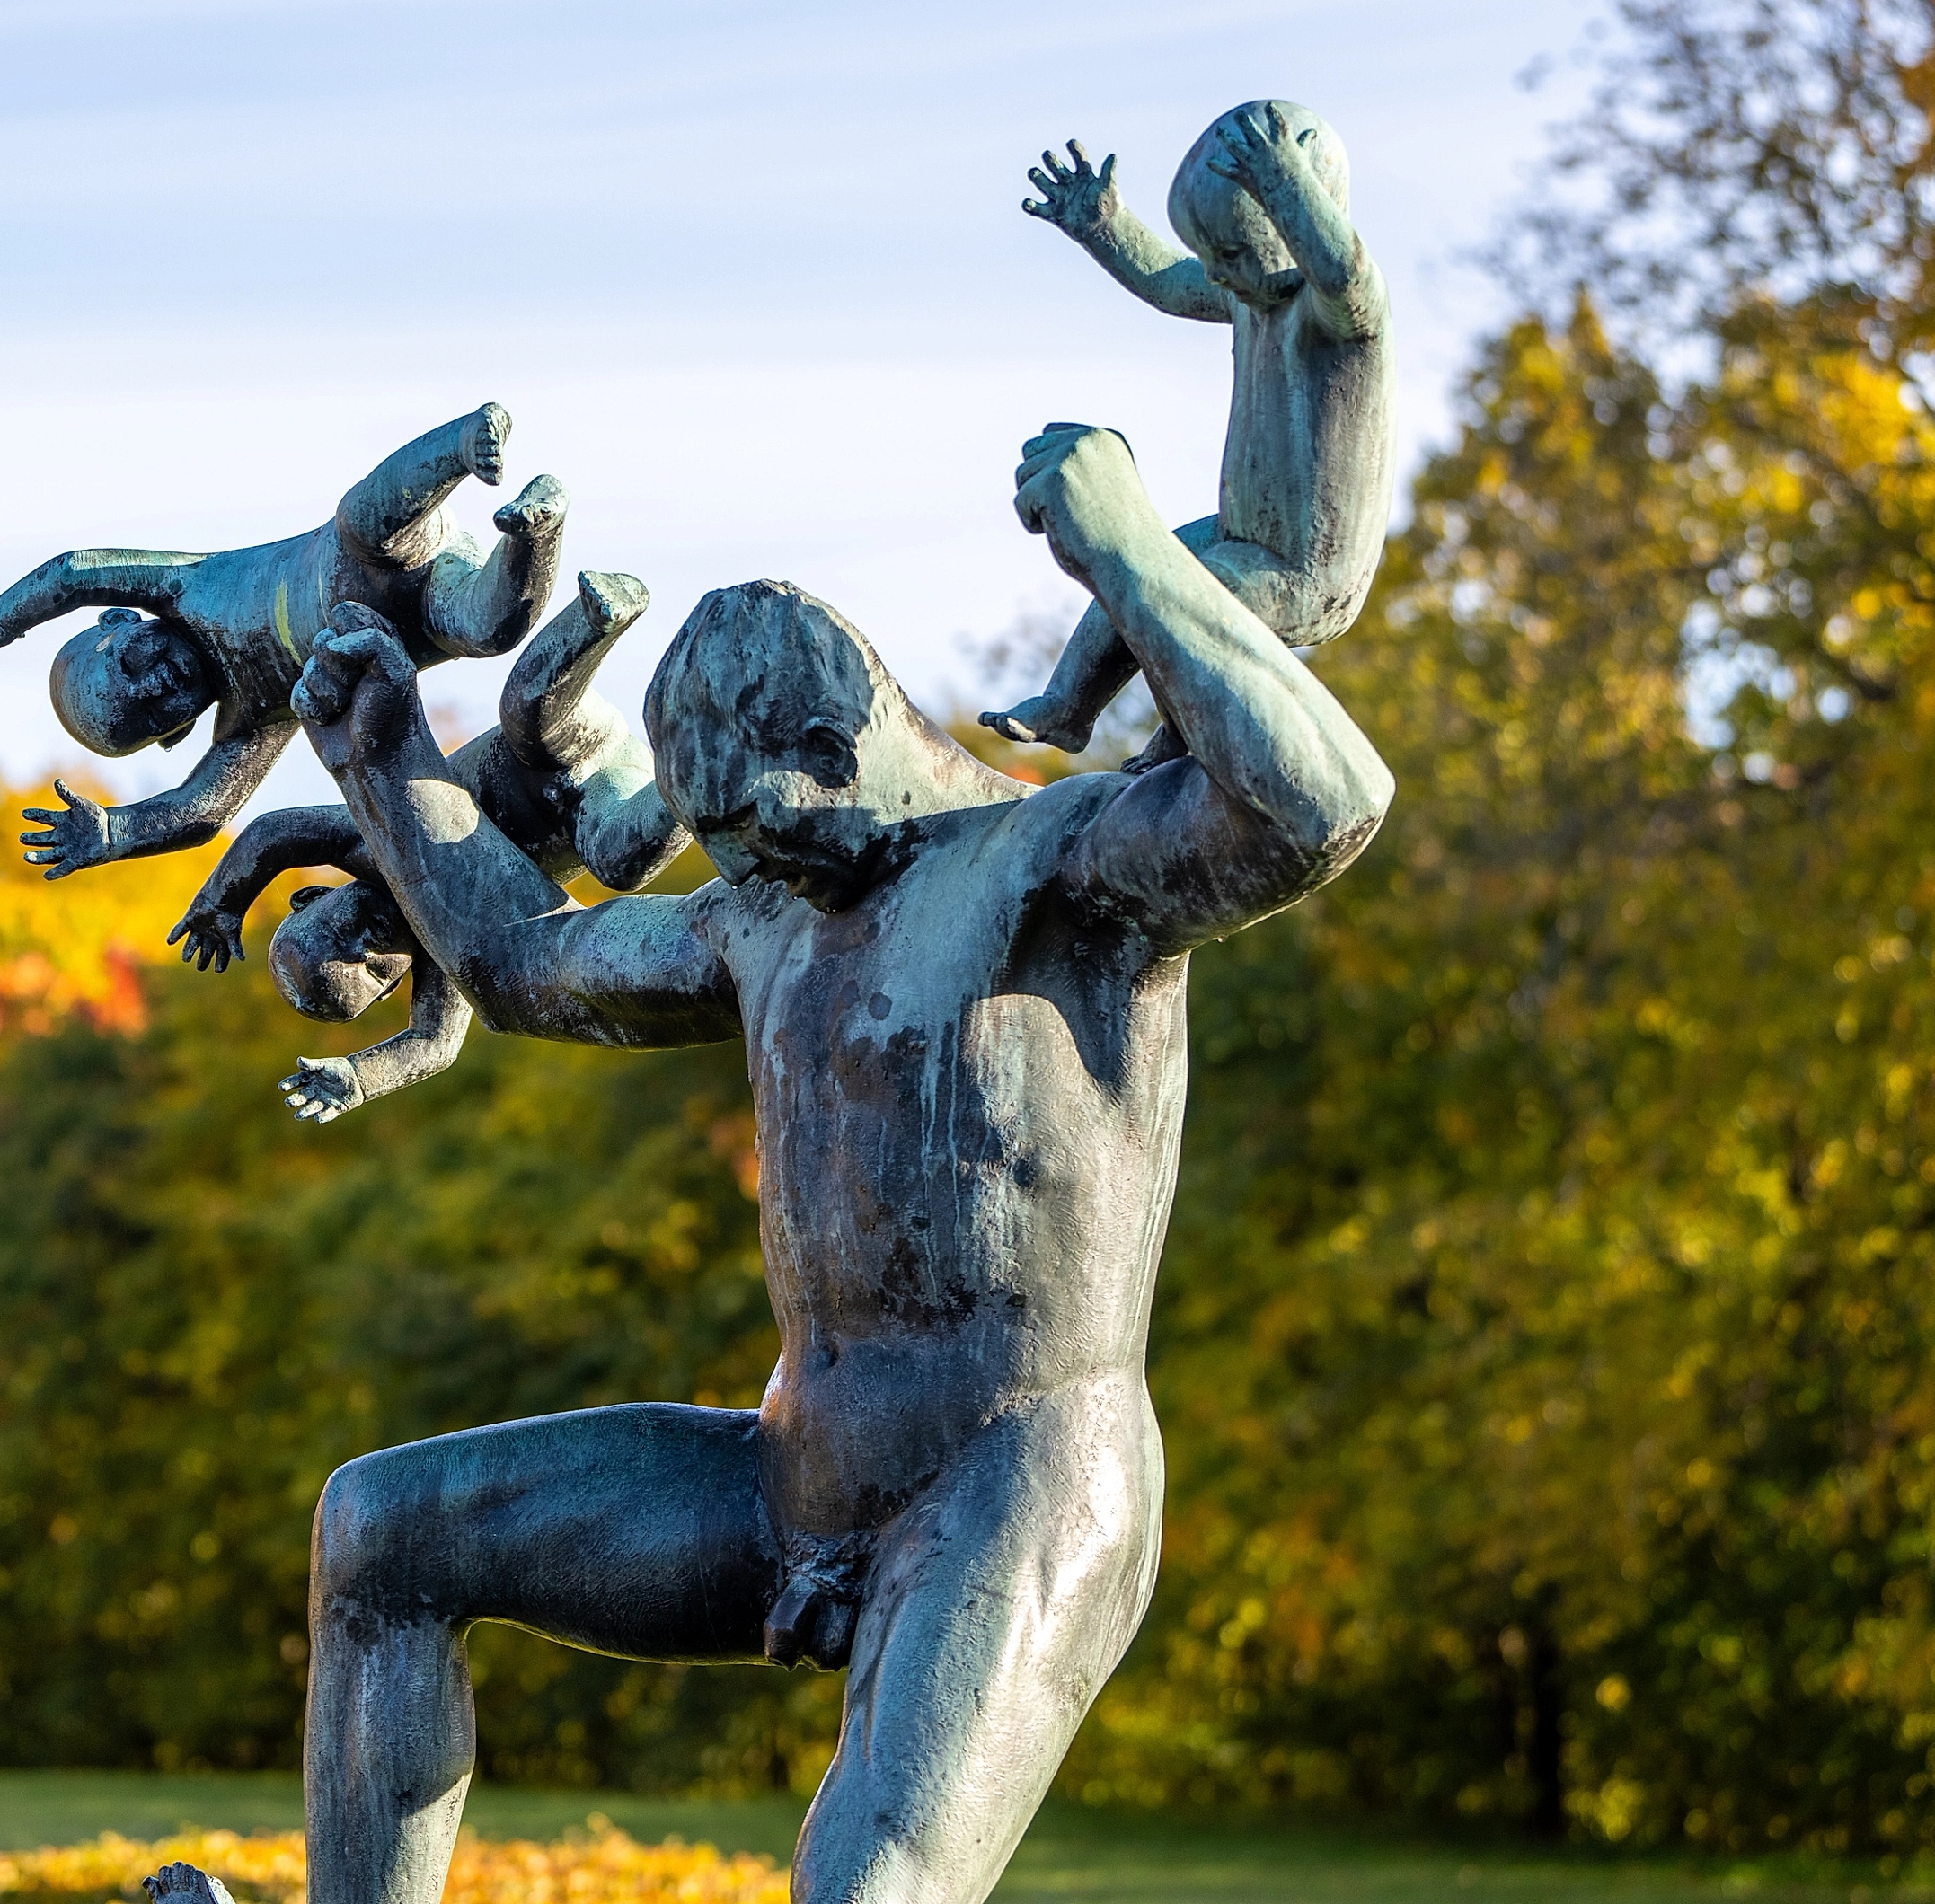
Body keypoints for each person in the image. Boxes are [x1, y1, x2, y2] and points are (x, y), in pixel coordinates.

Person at [214, 420, 1391, 1904]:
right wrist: (386, 760)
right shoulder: (763, 913)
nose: (741, 880)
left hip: (1013, 1479)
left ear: (842, 756)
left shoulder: (1058, 868)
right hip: (794, 1481)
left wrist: (1127, 552)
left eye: (763, 836)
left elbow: (1324, 803)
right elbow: (520, 962)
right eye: (724, 852)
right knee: (382, 1534)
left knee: (871, 1879)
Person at [0, 403, 569, 877]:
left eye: (130, 666)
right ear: (174, 735)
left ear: (120, 621)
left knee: (366, 519)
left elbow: (73, 574)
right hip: (425, 615)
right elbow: (203, 811)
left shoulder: (184, 585)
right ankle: (536, 529)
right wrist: (118, 835)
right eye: (152, 711)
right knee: (489, 629)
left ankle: (464, 443)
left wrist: (2, 620)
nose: (156, 682)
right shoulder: (254, 716)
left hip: (362, 551)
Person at [159, 571, 687, 1120]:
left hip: (550, 749)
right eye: (374, 968)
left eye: (345, 929)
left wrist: (222, 901)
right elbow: (434, 1045)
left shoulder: (367, 841)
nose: (371, 939)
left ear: (312, 897)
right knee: (622, 864)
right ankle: (695, 770)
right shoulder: (443, 953)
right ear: (391, 990)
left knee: (528, 708)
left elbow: (273, 833)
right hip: (600, 806)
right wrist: (358, 1078)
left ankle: (596, 619)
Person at [981, 101, 1394, 758]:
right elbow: (1172, 285)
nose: (1218, 271)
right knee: (1140, 563)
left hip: (1307, 569)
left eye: (1230, 252)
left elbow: (1343, 270)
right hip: (1243, 532)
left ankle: (1180, 742)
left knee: (1182, 604)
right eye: (1212, 254)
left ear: (1296, 227)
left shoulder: (1341, 318)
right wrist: (1104, 227)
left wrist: (1288, 182)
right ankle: (1069, 707)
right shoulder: (1250, 294)